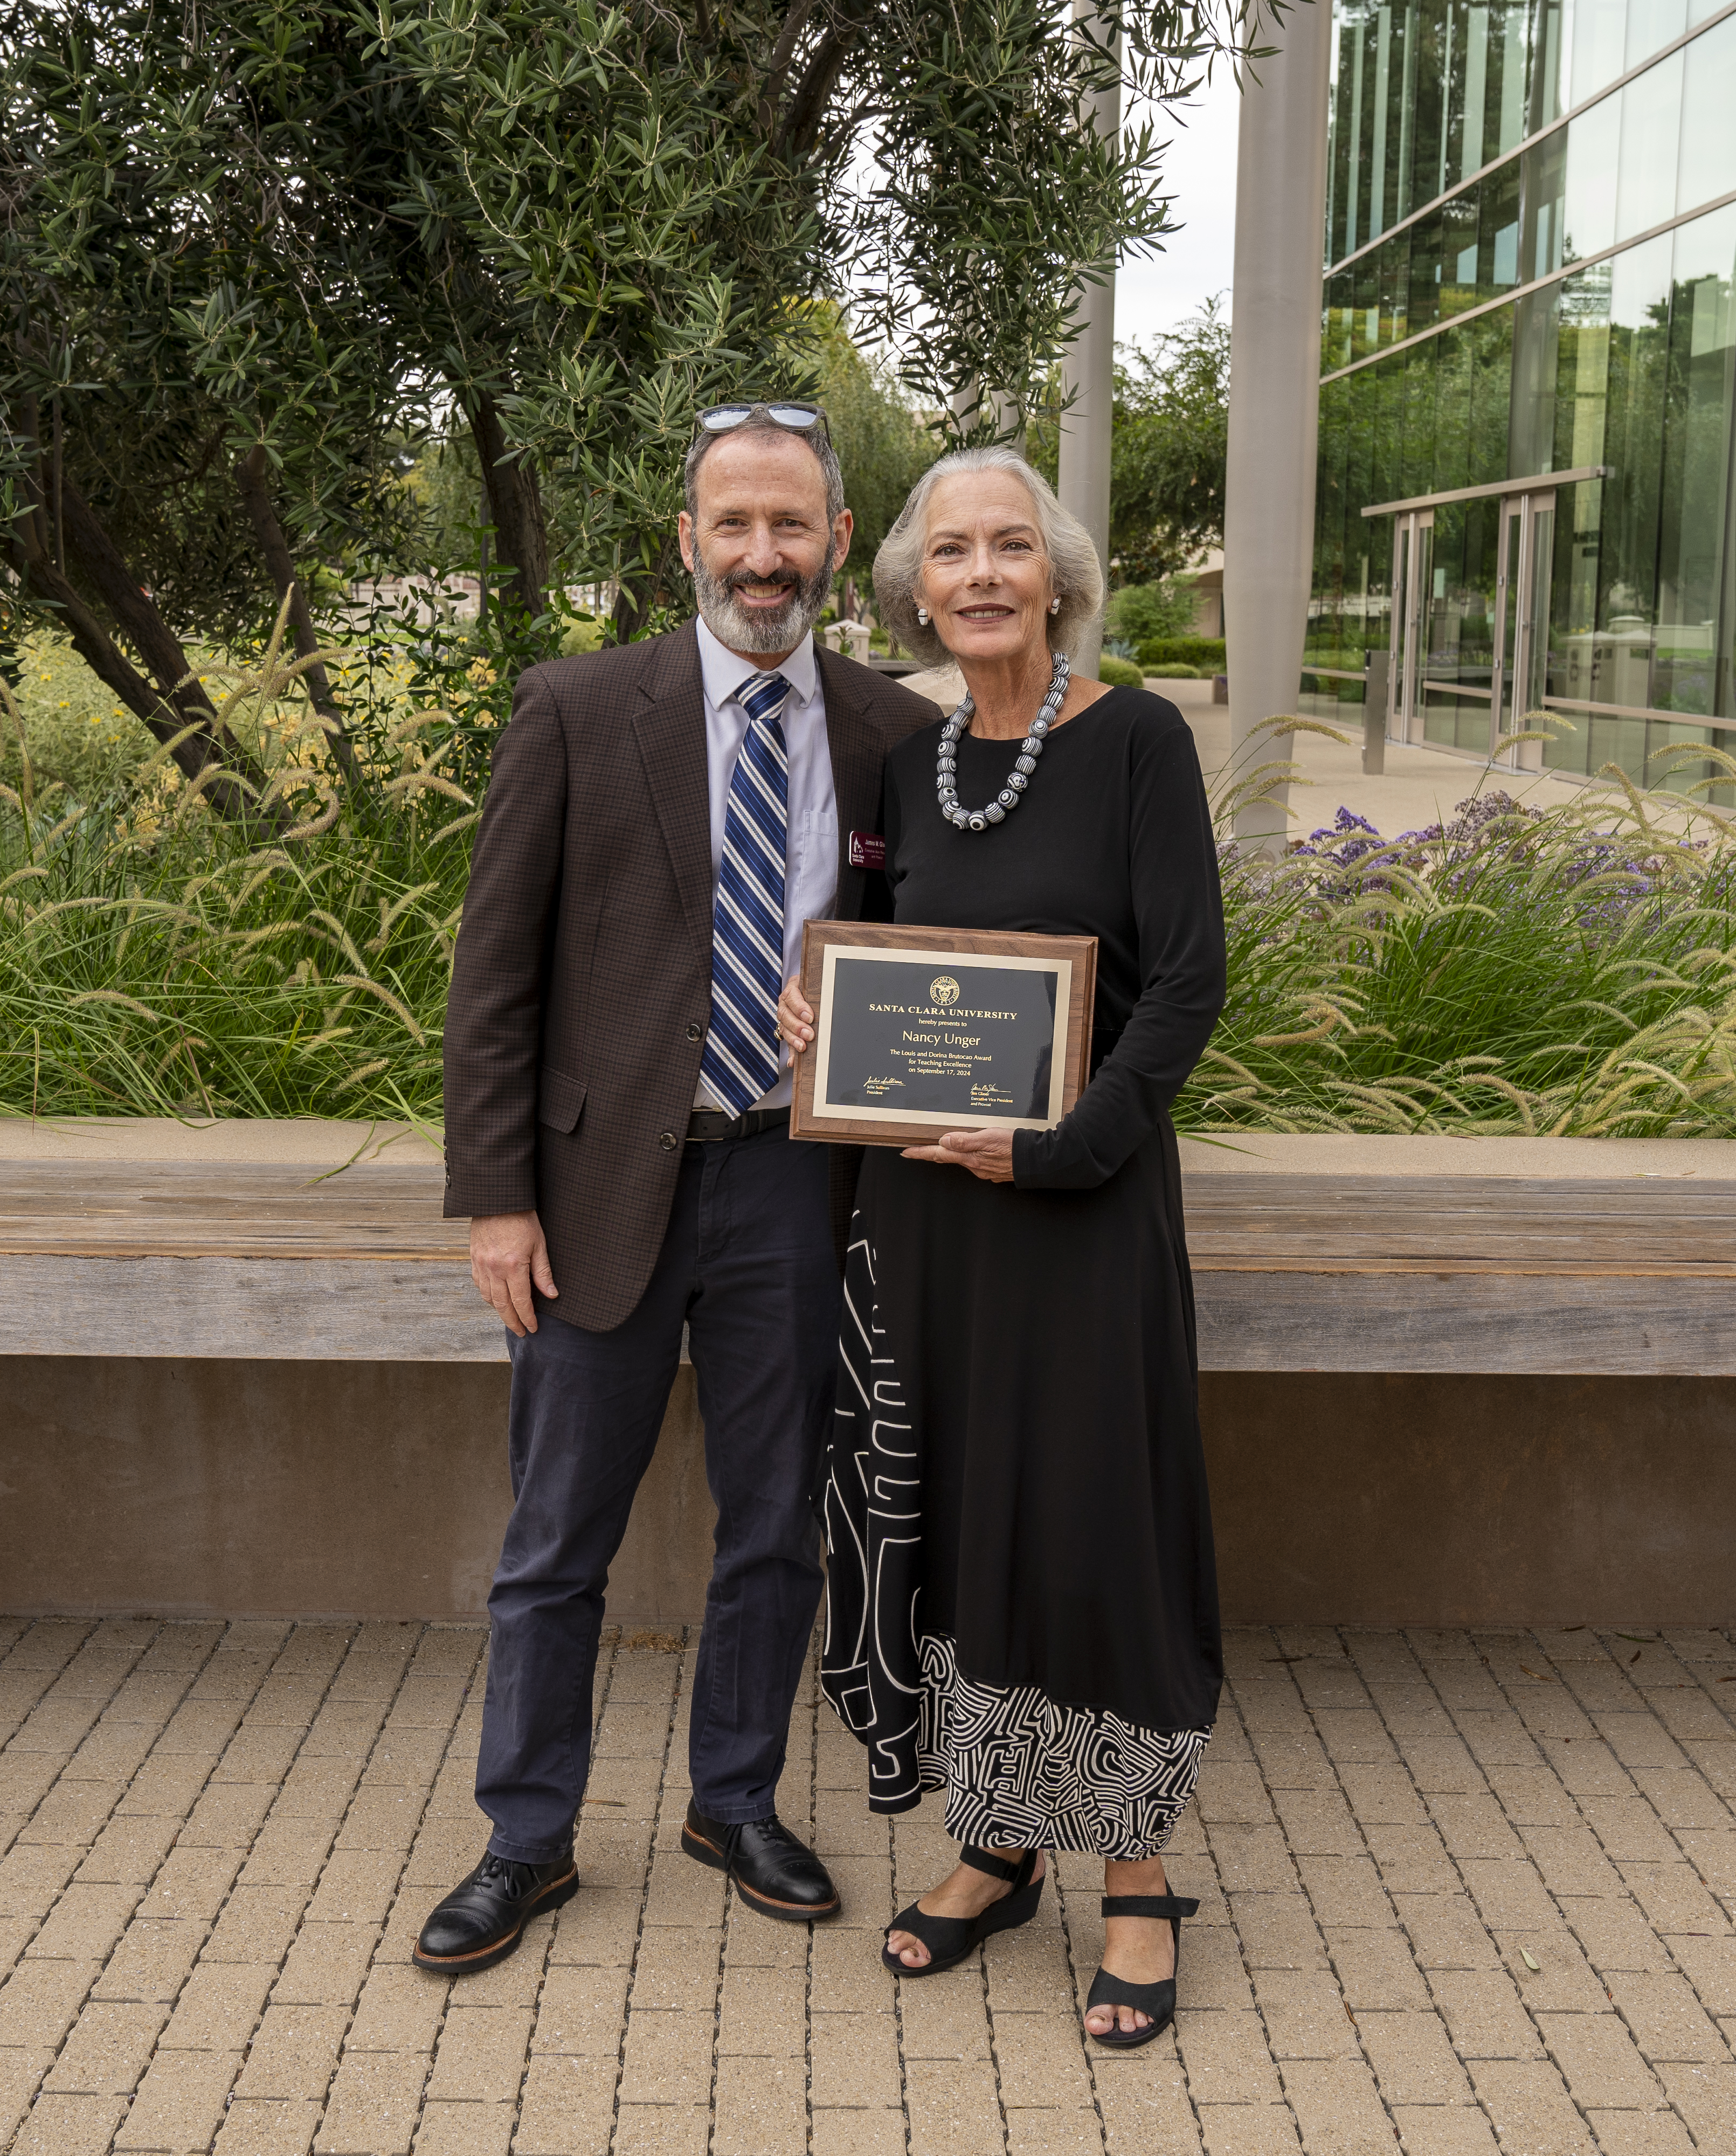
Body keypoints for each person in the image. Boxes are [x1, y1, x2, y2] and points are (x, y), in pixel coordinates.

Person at [421, 403, 943, 1975]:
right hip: (593, 1199)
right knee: (554, 1536)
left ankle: (736, 1799)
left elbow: (928, 964)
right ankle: (527, 1837)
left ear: (839, 544)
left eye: (792, 527)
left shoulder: (892, 734)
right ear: (687, 540)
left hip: (798, 1187)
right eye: (735, 526)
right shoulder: (578, 710)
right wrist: (495, 1198)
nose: (763, 556)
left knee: (777, 1525)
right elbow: (493, 976)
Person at [779, 445, 1227, 2048]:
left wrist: (1064, 1148)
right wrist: (822, 1018)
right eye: (951, 552)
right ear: (913, 585)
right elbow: (885, 967)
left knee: (1092, 1527)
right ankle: (997, 1842)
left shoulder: (1137, 742)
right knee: (964, 1525)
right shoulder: (913, 764)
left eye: (1010, 549)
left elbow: (1183, 986)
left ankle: (1136, 1876)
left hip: (1081, 1213)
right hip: (927, 1217)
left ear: (1060, 574)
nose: (980, 576)